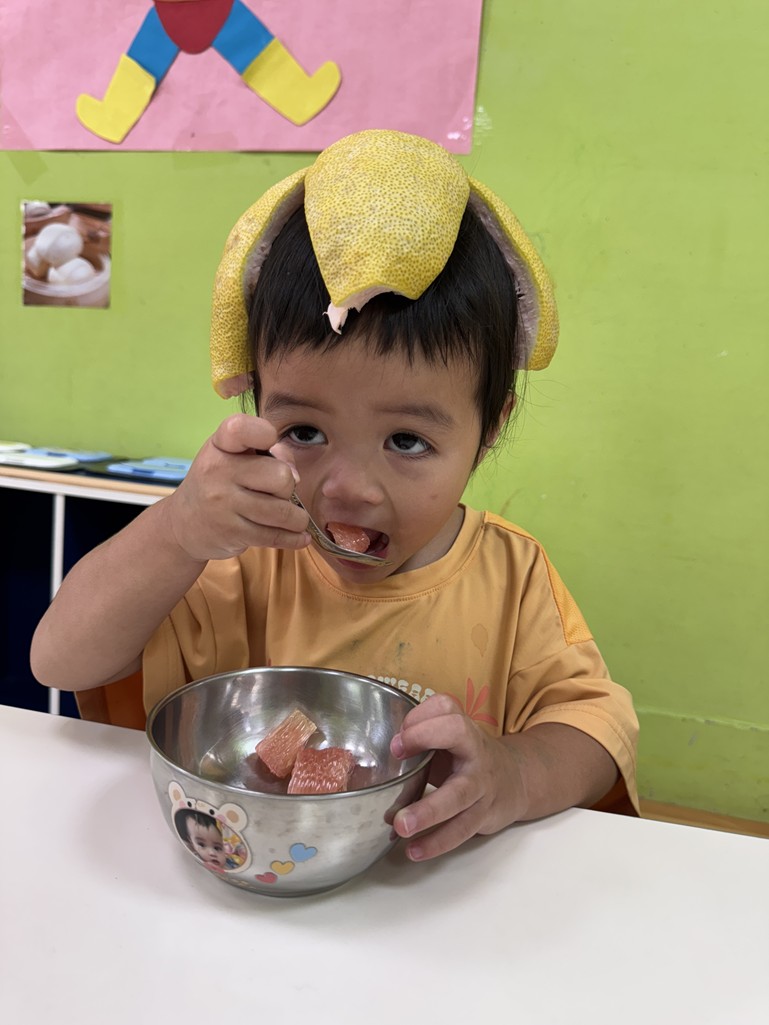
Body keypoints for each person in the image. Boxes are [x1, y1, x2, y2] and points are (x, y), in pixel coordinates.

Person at [31, 129, 639, 864]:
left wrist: (514, 772)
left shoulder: (513, 578)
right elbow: (59, 661)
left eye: (407, 441)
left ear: (489, 430)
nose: (348, 487)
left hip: (438, 900)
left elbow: (597, 730)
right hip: (248, 882)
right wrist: (178, 528)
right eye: (305, 431)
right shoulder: (233, 561)